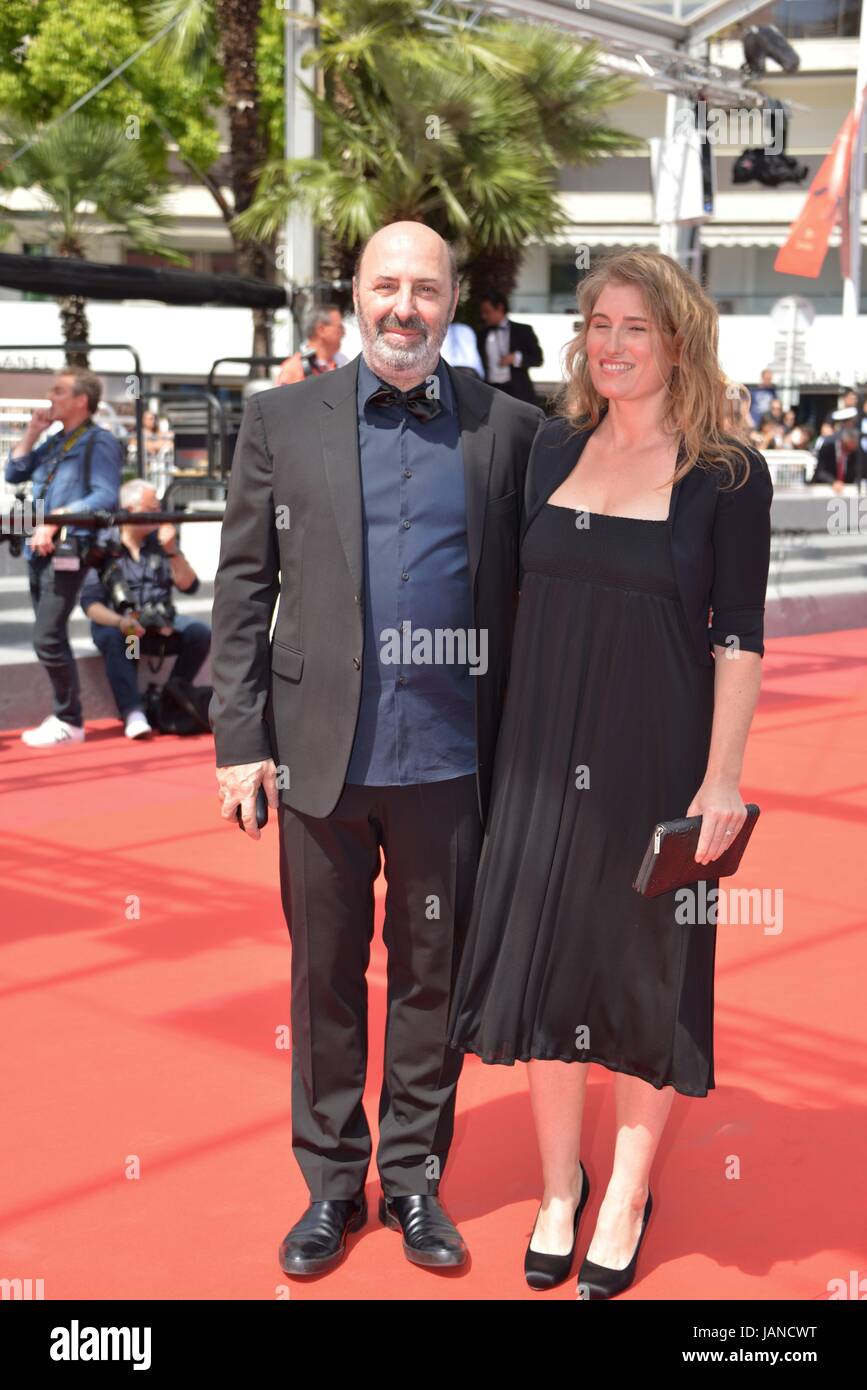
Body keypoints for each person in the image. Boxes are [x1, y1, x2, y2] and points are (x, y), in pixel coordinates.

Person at [209, 220, 544, 1278]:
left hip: (452, 759)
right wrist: (238, 739)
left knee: (432, 977)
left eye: (427, 288)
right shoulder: (278, 419)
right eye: (386, 285)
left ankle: (412, 1180)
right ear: (355, 293)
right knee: (324, 977)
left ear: (454, 301)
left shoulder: (511, 430)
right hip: (318, 758)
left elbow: (542, 591)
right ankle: (329, 1184)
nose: (405, 306)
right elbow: (242, 587)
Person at [447, 247, 773, 1299]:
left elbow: (740, 636)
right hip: (541, 757)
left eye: (637, 326)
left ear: (677, 340)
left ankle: (627, 1192)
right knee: (547, 968)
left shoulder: (727, 474)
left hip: (659, 764)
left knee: (644, 979)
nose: (615, 344)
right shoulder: (550, 450)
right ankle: (558, 1185)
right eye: (599, 324)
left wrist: (722, 780)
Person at [4, 367, 123, 746]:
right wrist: (34, 431)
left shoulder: (99, 442)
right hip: (39, 549)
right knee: (49, 633)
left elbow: (105, 495)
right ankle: (67, 718)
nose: (50, 397)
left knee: (47, 636)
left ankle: (69, 718)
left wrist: (54, 522)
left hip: (68, 548)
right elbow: (14, 470)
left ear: (80, 401)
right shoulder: (56, 440)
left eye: (58, 391)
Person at [80, 479, 211, 739]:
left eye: (160, 507)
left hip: (160, 627)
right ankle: (133, 711)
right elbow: (90, 604)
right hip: (126, 628)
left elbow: (189, 585)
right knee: (122, 636)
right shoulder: (105, 545)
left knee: (200, 633)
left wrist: (172, 550)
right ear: (130, 509)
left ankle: (171, 696)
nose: (159, 513)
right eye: (152, 507)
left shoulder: (159, 543)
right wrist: (121, 621)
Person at [476, 289, 543, 404]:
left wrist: (516, 358)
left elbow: (538, 359)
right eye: (482, 312)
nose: (484, 316)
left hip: (517, 392)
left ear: (500, 308)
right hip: (490, 392)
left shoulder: (523, 331)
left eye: (487, 311)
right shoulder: (481, 334)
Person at [275, 304, 347, 384]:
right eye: (339, 328)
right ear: (321, 330)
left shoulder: (343, 363)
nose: (344, 333)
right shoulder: (293, 369)